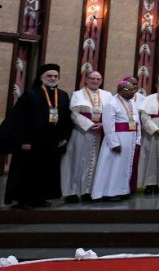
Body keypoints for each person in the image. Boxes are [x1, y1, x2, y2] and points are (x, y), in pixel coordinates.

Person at [2, 64, 72, 209]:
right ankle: (24, 200)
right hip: (32, 143)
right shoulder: (31, 94)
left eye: (55, 76)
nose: (53, 78)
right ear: (41, 78)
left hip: (52, 143)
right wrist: (24, 141)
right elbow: (20, 120)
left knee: (46, 172)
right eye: (49, 76)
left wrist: (65, 136)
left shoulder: (63, 96)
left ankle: (40, 198)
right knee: (28, 172)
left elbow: (67, 119)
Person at [61, 71, 112, 202]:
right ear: (87, 80)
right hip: (82, 133)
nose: (95, 81)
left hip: (100, 133)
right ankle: (72, 192)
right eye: (92, 78)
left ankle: (88, 191)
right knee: (76, 161)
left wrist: (103, 124)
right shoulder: (77, 94)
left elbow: (111, 113)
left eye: (98, 79)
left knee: (94, 162)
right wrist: (89, 124)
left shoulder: (107, 95)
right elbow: (73, 114)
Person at [91, 79, 141, 201]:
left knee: (124, 167)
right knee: (113, 166)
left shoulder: (132, 104)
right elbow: (108, 125)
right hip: (117, 140)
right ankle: (109, 192)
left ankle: (122, 190)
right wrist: (114, 143)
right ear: (120, 90)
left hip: (131, 139)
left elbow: (137, 122)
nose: (133, 93)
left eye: (134, 90)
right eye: (129, 90)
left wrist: (138, 139)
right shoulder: (111, 103)